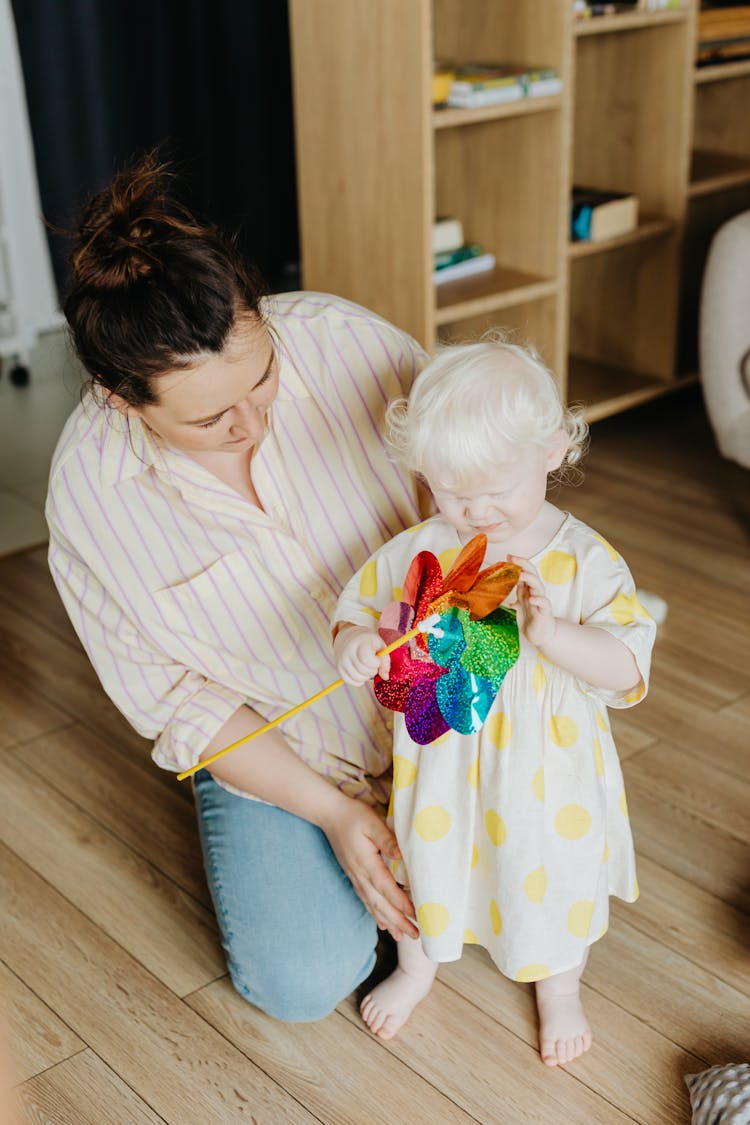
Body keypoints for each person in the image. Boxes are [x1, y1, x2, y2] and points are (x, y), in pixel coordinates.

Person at [46, 151, 431, 1021]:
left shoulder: (345, 342)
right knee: (300, 982)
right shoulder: (88, 500)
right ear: (121, 400)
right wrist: (336, 814)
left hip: (435, 690)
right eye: (213, 420)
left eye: (262, 380)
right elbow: (181, 702)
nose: (253, 423)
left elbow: (471, 491)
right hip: (292, 752)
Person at [333, 338, 656, 1066]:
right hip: (443, 756)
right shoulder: (422, 548)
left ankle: (560, 983)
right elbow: (362, 610)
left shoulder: (586, 559)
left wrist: (558, 634)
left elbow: (627, 662)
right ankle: (417, 965)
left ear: (552, 449)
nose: (475, 509)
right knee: (430, 854)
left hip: (547, 770)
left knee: (549, 867)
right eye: (452, 490)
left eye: (495, 487)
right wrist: (355, 640)